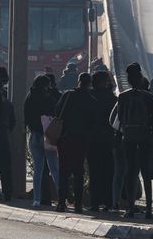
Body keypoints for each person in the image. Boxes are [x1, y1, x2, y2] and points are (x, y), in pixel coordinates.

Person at [111, 63, 153, 219]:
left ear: (129, 79)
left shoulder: (123, 97)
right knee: (145, 173)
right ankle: (149, 210)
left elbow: (118, 119)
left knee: (130, 173)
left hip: (128, 139)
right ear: (141, 78)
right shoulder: (148, 97)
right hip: (145, 139)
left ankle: (130, 208)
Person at [54, 72, 97, 213]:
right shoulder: (91, 101)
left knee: (63, 171)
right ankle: (78, 205)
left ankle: (61, 202)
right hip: (81, 140)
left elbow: (57, 111)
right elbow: (93, 123)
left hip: (65, 138)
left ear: (78, 82)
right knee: (79, 171)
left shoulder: (68, 95)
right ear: (89, 83)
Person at [24, 74, 61, 208]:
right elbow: (56, 112)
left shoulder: (29, 97)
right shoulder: (48, 98)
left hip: (34, 136)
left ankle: (36, 199)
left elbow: (26, 116)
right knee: (54, 168)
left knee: (38, 169)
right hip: (48, 136)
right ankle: (61, 198)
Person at [88, 70, 116, 212]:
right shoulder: (111, 98)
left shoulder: (90, 96)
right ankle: (108, 202)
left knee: (94, 172)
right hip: (108, 139)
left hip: (92, 139)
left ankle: (94, 202)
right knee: (108, 172)